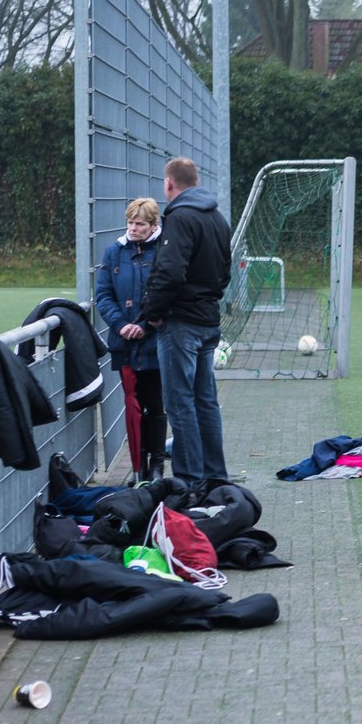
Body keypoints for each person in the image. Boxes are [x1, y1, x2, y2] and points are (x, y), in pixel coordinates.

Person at [143, 157, 232, 488]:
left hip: (180, 323)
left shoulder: (180, 218)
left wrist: (152, 312)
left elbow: (169, 271)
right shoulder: (217, 218)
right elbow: (224, 272)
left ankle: (190, 482)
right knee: (206, 402)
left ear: (169, 183)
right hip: (208, 320)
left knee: (179, 404)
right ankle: (215, 477)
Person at [95, 197, 167, 485]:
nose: (133, 228)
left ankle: (157, 466)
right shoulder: (114, 252)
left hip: (155, 342)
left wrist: (145, 326)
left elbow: (167, 292)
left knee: (155, 404)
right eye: (130, 223)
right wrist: (121, 325)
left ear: (153, 225)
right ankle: (138, 467)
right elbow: (103, 295)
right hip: (124, 344)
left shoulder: (164, 251)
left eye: (140, 224)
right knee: (133, 404)